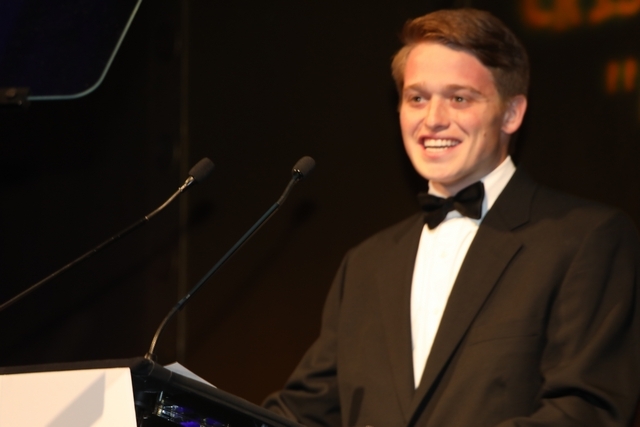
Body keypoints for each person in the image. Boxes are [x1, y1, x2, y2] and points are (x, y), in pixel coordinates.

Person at [264, 8, 640, 427]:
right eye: (417, 98)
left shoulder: (586, 240)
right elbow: (303, 413)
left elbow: (586, 410)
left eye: (459, 98)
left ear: (512, 113)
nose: (433, 119)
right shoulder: (366, 264)